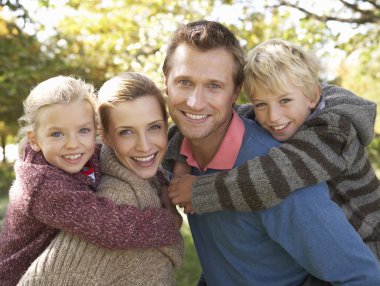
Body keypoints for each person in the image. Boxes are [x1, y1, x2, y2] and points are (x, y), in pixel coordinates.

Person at [162, 20, 380, 285]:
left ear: (234, 92)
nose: (196, 102)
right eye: (184, 82)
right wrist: (175, 169)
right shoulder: (193, 140)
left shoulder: (300, 162)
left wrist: (199, 190)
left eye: (214, 86)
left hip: (369, 237)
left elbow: (362, 277)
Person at [0, 75, 180, 286]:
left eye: (83, 130)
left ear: (96, 131)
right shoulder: (41, 187)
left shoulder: (85, 153)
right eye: (57, 134)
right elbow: (108, 226)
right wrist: (168, 223)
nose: (73, 144)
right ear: (34, 139)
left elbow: (126, 161)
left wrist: (164, 185)